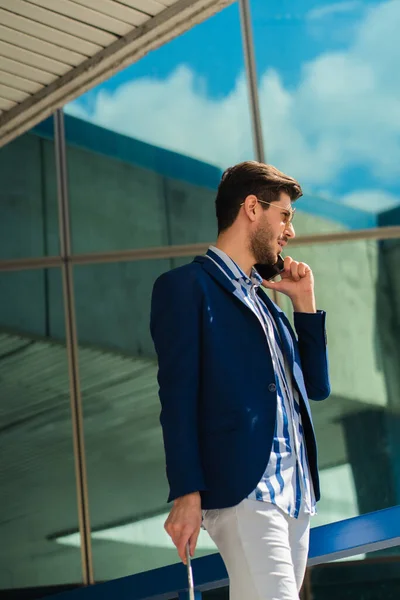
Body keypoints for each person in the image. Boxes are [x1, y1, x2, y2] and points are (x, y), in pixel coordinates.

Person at [150, 161, 331, 600]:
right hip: (247, 488)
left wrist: (304, 305)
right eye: (284, 215)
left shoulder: (267, 305)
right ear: (252, 207)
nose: (290, 231)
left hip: (297, 496)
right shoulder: (188, 287)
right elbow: (177, 395)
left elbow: (316, 389)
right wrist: (187, 492)